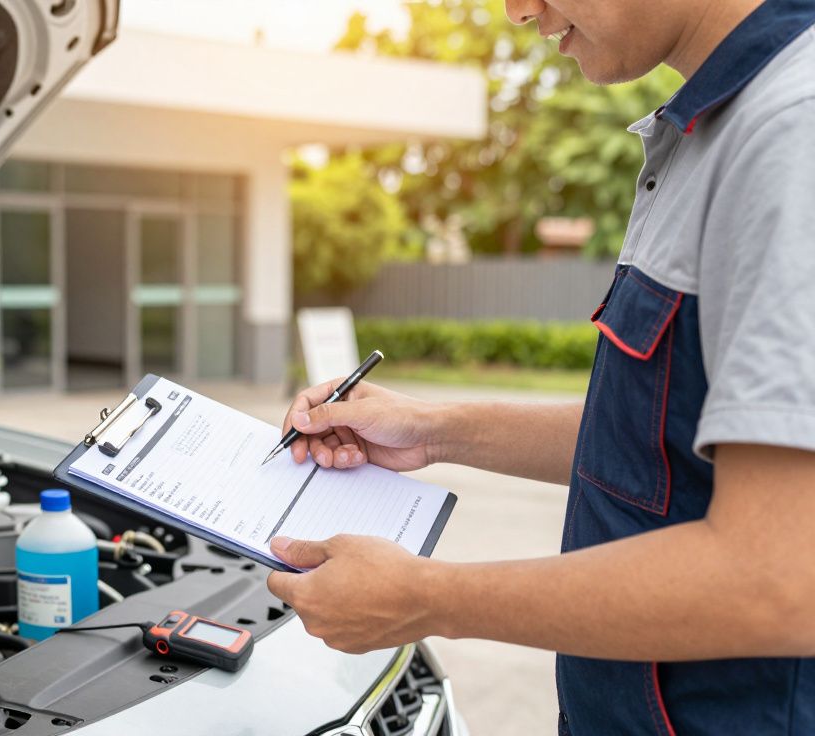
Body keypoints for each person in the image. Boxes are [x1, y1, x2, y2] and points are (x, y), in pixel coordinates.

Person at [264, 0, 815, 732]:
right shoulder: (710, 127)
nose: (519, 10)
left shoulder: (790, 131)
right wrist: (434, 430)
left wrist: (427, 598)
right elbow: (664, 439)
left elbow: (779, 579)